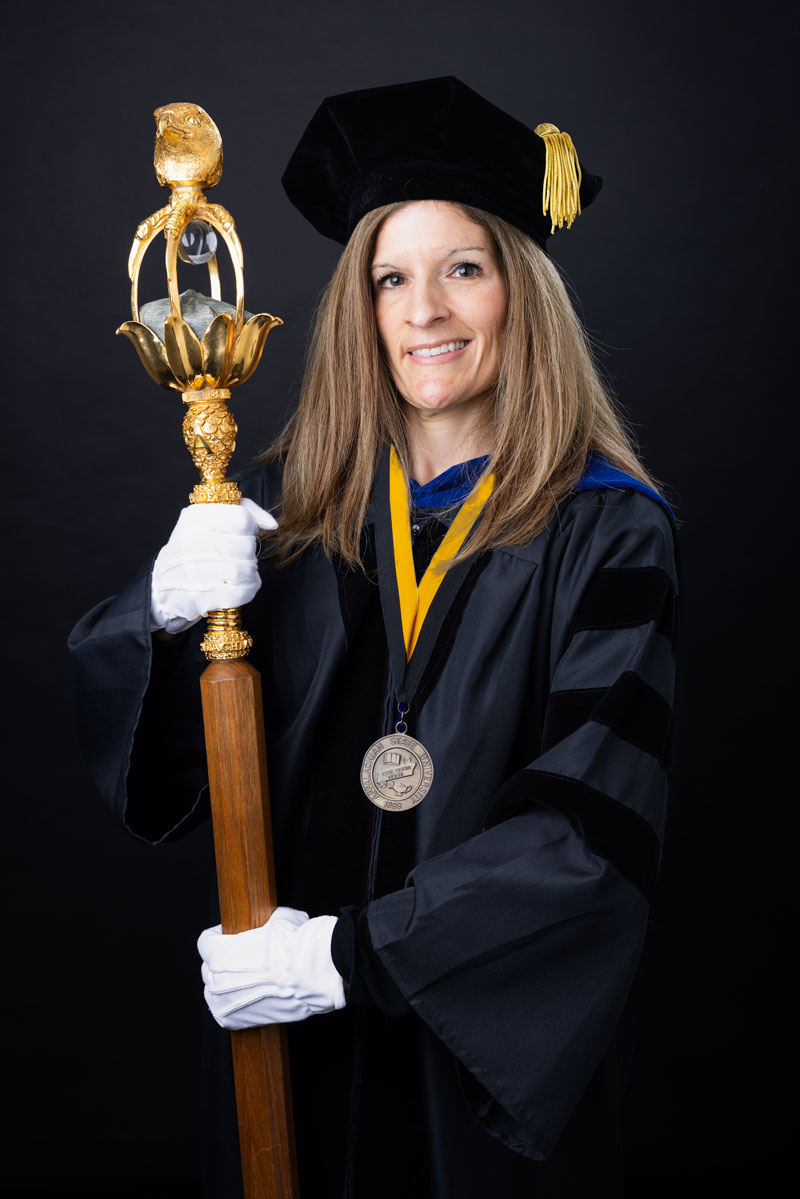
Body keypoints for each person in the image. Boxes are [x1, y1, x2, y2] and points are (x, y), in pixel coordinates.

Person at [69, 77, 678, 1198]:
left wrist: (342, 956)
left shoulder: (606, 531)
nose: (422, 311)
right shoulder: (291, 512)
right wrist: (160, 608)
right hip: (285, 1061)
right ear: (360, 306)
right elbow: (166, 775)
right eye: (391, 277)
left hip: (464, 1068)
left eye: (462, 269)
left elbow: (589, 839)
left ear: (519, 293)